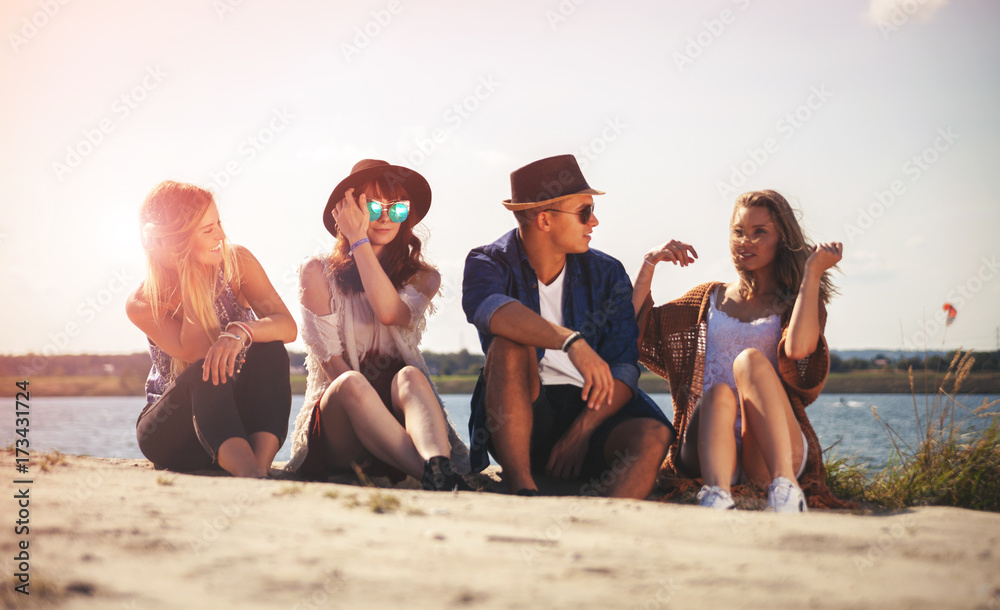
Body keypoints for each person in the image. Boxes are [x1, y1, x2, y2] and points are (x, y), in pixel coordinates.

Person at [462, 154, 673, 499]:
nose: (595, 222)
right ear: (544, 219)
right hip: (521, 416)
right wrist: (571, 341)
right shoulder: (488, 262)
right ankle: (524, 492)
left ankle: (605, 529)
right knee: (509, 344)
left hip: (594, 414)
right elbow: (492, 312)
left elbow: (623, 367)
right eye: (585, 212)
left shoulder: (607, 273)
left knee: (652, 435)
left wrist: (581, 432)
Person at [632, 189, 852, 511]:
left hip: (772, 447)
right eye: (739, 232)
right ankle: (717, 495)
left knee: (749, 361)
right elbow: (632, 331)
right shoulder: (707, 299)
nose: (745, 241)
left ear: (782, 239)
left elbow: (799, 349)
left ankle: (786, 490)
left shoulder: (796, 301)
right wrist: (649, 263)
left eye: (759, 232)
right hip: (708, 445)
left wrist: (812, 273)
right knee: (719, 393)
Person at [286, 160, 470, 491]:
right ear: (347, 209)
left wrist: (360, 244)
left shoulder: (424, 277)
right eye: (373, 206)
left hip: (401, 416)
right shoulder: (317, 273)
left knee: (411, 375)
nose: (386, 217)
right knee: (352, 382)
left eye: (398, 209)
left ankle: (437, 466)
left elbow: (389, 312)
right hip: (342, 421)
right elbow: (330, 362)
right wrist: (357, 239)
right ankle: (434, 476)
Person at [127, 180, 297, 478]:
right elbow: (198, 352)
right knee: (208, 367)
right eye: (208, 230)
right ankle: (249, 472)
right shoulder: (142, 301)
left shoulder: (238, 262)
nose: (221, 234)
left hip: (234, 422)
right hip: (174, 432)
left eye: (218, 223)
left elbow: (287, 326)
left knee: (270, 347)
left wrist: (241, 331)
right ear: (174, 241)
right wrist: (190, 273)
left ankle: (258, 467)